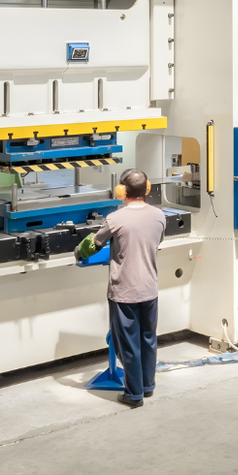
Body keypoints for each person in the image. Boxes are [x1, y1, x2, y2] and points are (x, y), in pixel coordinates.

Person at [75, 169, 165, 408]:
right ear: (147, 188)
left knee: (128, 345)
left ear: (122, 191)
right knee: (148, 339)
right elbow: (155, 241)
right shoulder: (159, 215)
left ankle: (133, 394)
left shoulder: (115, 218)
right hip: (150, 289)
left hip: (124, 292)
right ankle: (147, 386)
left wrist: (78, 251)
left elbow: (94, 245)